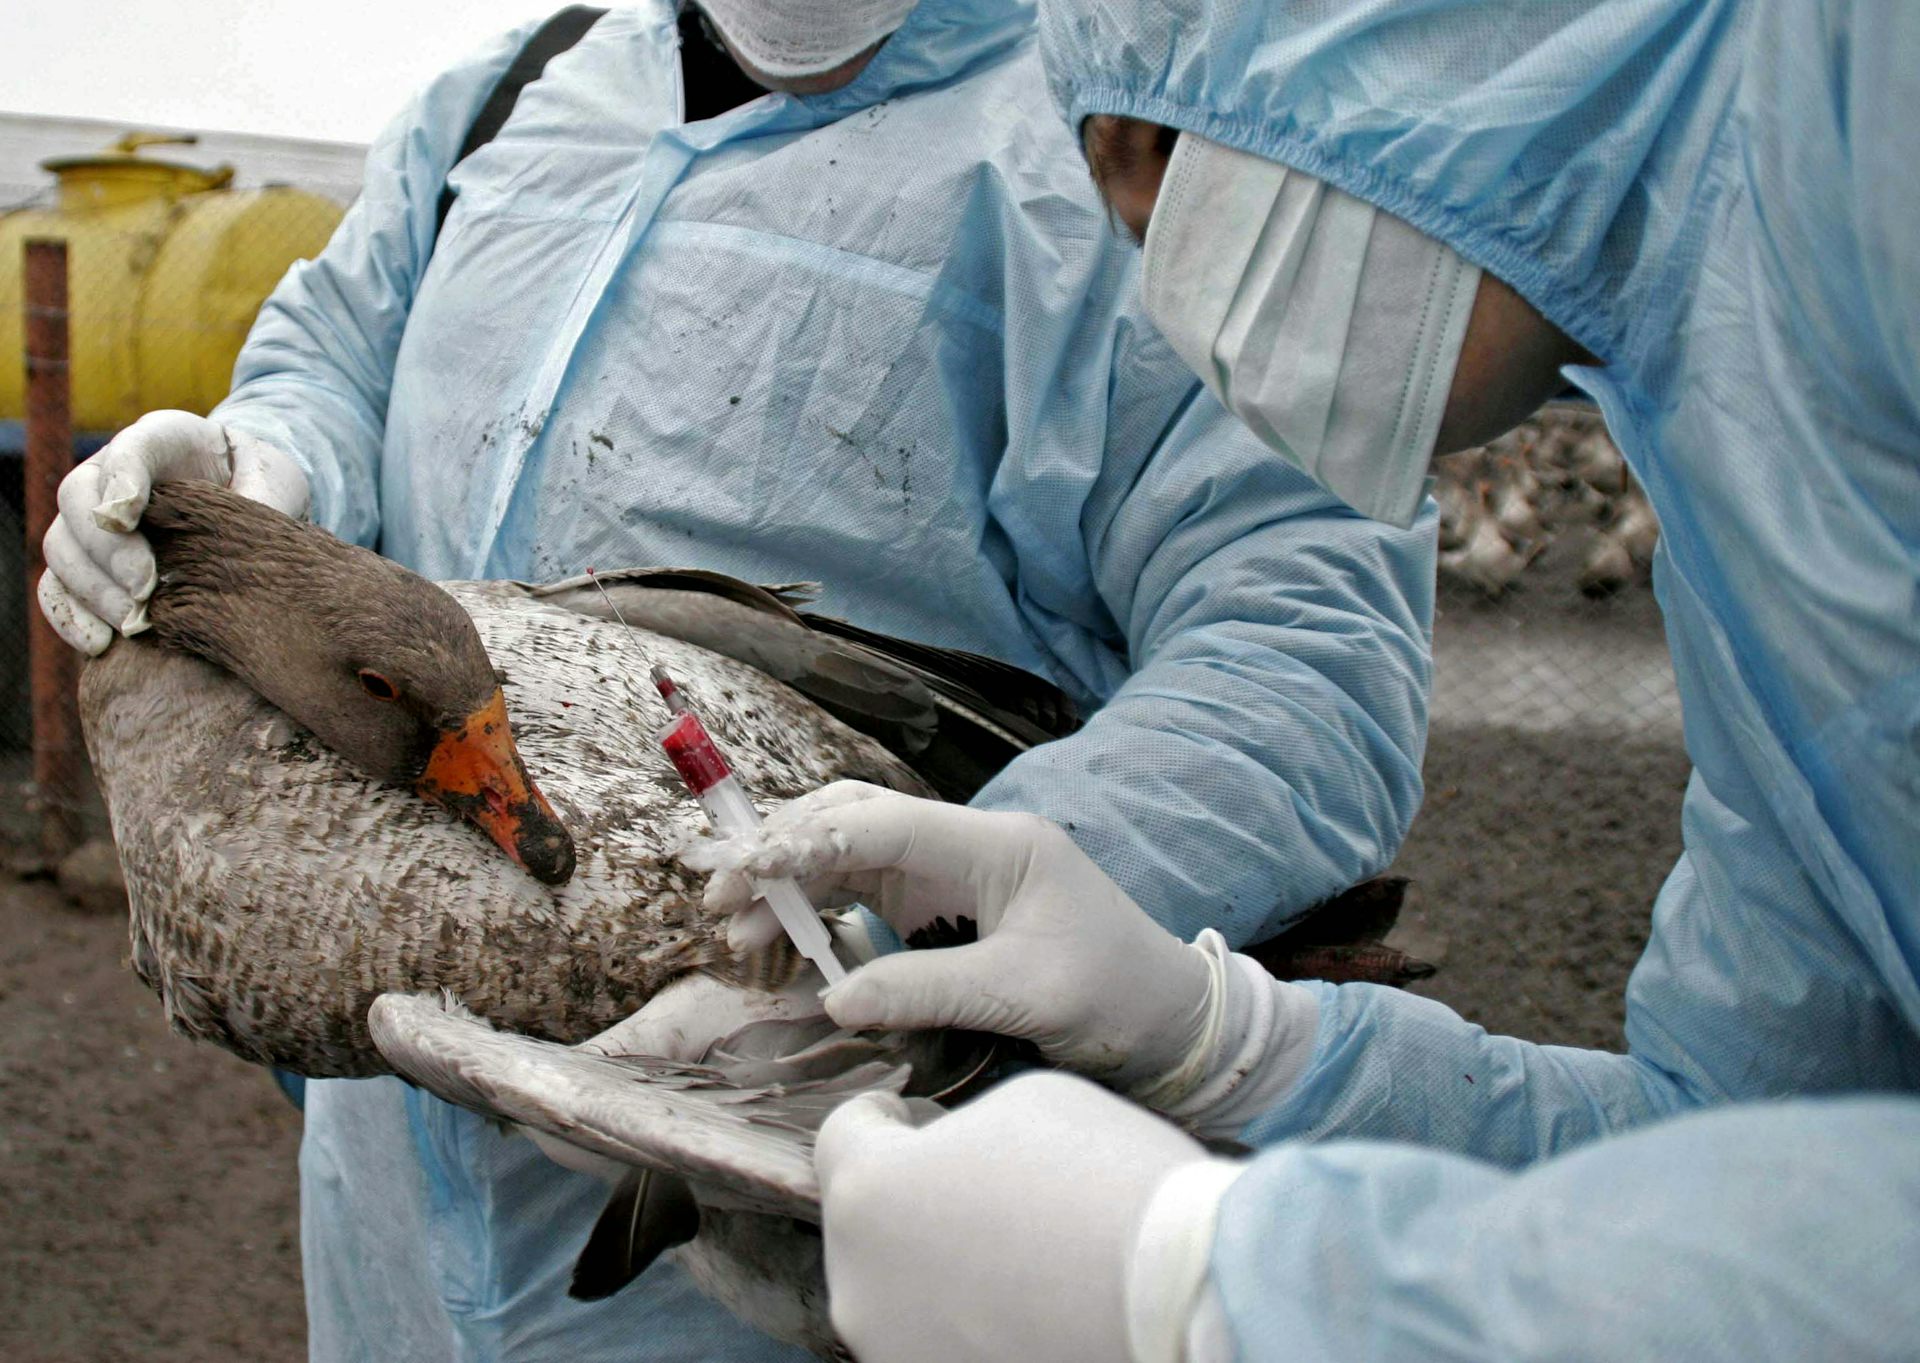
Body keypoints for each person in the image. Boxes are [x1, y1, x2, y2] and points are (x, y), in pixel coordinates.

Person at [37, 2, 1438, 1359]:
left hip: (818, 1180)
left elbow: (1304, 654)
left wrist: (936, 949)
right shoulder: (510, 93)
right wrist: (266, 466)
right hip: (398, 1224)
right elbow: (337, 360)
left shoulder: (1137, 151)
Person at [683, 0, 1920, 1358]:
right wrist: (1225, 1039)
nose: (1147, 238)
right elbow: (1734, 1149)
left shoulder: (1864, 107)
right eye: (1103, 158)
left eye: (1159, 135)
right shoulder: (1746, 482)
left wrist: (1253, 1299)